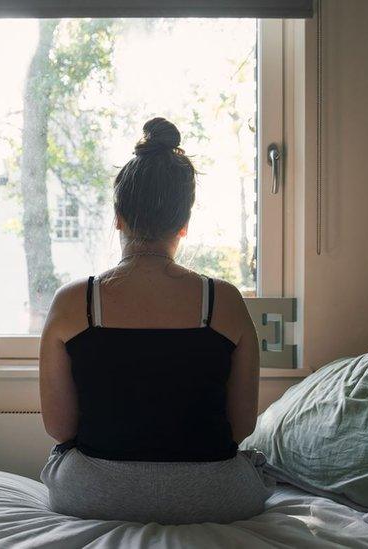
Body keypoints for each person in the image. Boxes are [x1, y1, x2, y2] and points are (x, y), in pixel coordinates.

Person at [39, 117, 272, 524]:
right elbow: (240, 426)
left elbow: (60, 429)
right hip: (214, 496)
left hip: (94, 494)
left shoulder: (74, 302)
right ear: (184, 223)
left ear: (118, 217)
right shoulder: (225, 301)